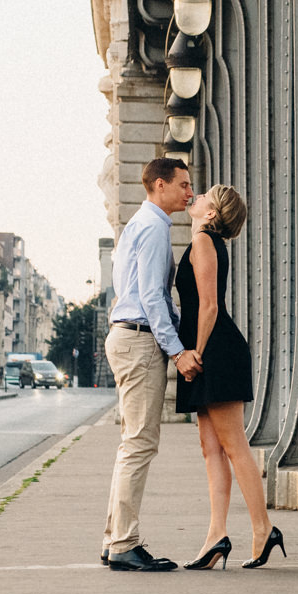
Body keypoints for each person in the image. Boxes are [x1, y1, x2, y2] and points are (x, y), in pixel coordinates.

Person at [101, 157, 202, 572]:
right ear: (160, 185)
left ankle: (114, 539)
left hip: (127, 336)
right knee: (139, 444)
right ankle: (124, 543)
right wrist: (177, 350)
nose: (189, 192)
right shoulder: (156, 228)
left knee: (131, 444)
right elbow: (152, 298)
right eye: (183, 184)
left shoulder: (137, 225)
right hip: (139, 340)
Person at [174, 184, 282, 570]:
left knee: (233, 444)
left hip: (215, 351)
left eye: (205, 195)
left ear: (212, 213)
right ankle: (216, 535)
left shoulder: (204, 241)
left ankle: (263, 529)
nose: (197, 196)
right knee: (211, 448)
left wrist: (196, 353)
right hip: (212, 350)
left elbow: (209, 306)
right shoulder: (206, 241)